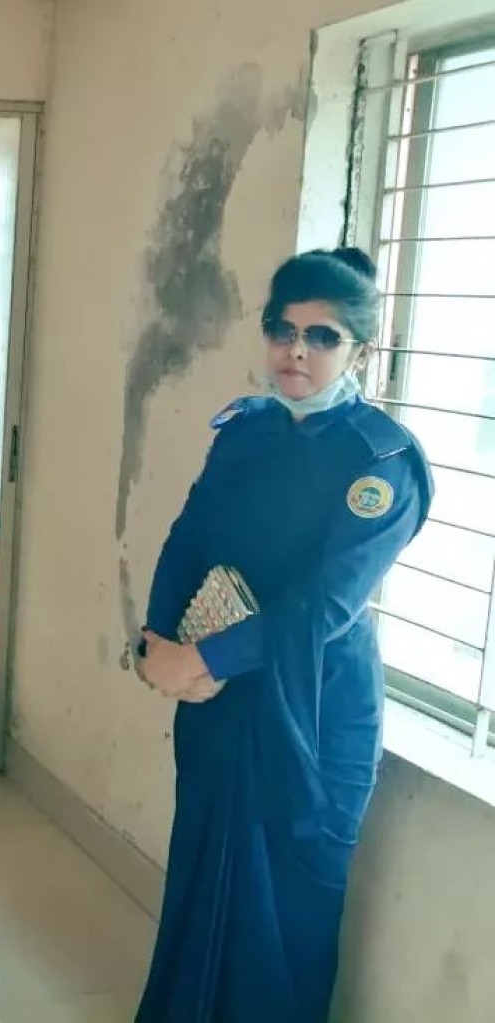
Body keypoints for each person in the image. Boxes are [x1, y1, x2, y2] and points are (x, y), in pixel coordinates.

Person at [134, 247, 433, 1022]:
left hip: (313, 706)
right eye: (282, 329)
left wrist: (204, 656)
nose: (296, 350)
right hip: (217, 693)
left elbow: (324, 605)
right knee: (203, 871)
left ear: (360, 348)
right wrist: (157, 640)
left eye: (322, 335)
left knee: (288, 906)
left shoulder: (381, 460)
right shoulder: (246, 429)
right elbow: (190, 536)